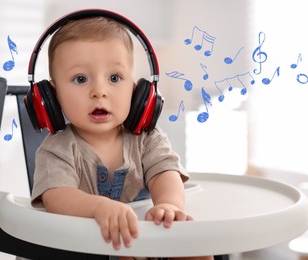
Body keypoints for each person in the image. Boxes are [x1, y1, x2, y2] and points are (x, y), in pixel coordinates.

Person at [30, 13, 213, 260]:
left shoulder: (148, 138)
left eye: (114, 78)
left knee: (194, 246)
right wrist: (99, 207)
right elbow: (57, 197)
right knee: (124, 249)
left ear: (138, 91)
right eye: (80, 79)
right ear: (52, 96)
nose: (99, 91)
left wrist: (169, 205)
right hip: (87, 248)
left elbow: (165, 173)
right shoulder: (57, 149)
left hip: (144, 238)